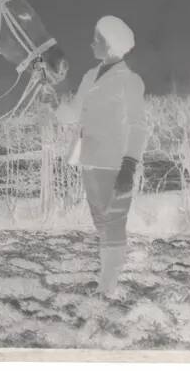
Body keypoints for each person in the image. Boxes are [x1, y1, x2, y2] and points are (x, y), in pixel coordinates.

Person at [55, 15, 148, 298]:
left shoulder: (129, 81)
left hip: (115, 165)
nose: (91, 43)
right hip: (89, 161)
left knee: (114, 223)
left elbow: (138, 126)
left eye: (96, 39)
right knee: (101, 224)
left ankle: (107, 289)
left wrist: (128, 168)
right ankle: (107, 282)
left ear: (108, 45)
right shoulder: (89, 77)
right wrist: (51, 97)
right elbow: (71, 114)